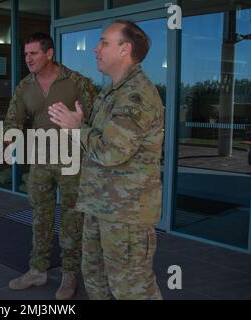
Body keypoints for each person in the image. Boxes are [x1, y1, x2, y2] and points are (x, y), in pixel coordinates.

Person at [48, 20, 164, 300]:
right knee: (97, 283)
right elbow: (101, 140)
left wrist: (77, 129)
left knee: (133, 291)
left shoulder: (135, 96)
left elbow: (112, 151)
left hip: (126, 216)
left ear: (125, 49)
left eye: (104, 42)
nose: (95, 48)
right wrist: (80, 125)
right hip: (101, 207)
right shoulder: (112, 91)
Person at [5, 32, 97, 300]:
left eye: (33, 53)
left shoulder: (77, 82)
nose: (28, 59)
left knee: (72, 217)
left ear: (49, 54)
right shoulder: (25, 86)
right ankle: (38, 270)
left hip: (72, 161)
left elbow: (96, 119)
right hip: (40, 160)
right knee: (40, 216)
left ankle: (69, 275)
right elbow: (13, 119)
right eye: (26, 54)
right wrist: (10, 137)